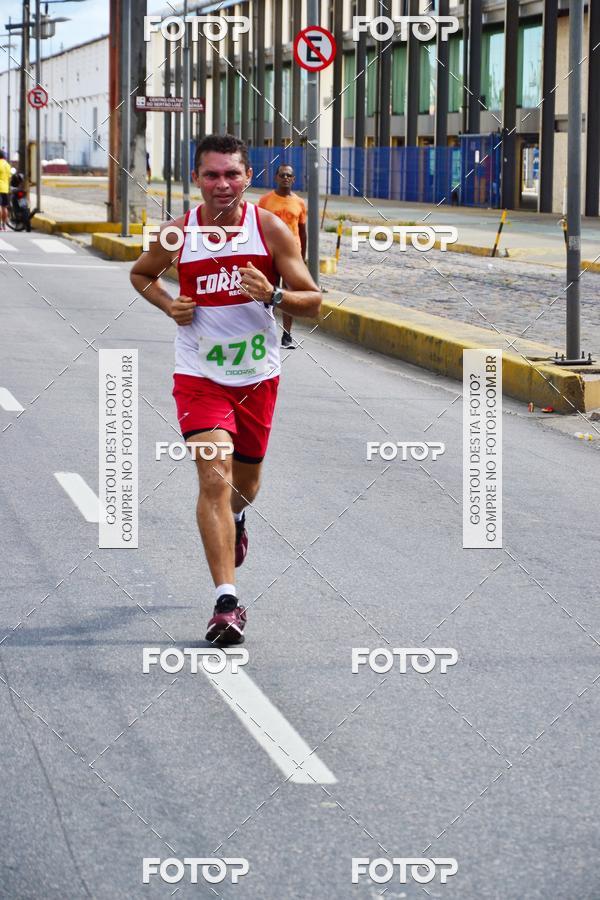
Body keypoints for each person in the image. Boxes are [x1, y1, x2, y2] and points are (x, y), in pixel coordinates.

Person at [130, 134, 321, 644]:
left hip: (257, 377)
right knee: (213, 478)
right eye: (211, 174)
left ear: (247, 177)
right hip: (199, 377)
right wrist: (168, 304)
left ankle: (237, 519)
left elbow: (313, 300)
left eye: (231, 174)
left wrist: (275, 292)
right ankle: (226, 603)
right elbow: (142, 275)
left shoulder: (272, 229)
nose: (222, 184)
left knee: (245, 488)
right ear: (196, 178)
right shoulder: (178, 234)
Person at [258, 163, 307, 348]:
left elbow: (303, 232)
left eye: (289, 175)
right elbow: (258, 226)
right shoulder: (265, 201)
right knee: (268, 292)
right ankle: (264, 330)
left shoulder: (300, 203)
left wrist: (302, 257)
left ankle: (287, 335)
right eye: (282, 175)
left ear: (293, 179)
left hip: (291, 255)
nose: (285, 178)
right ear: (276, 178)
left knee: (288, 294)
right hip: (269, 253)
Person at [0, 151, 12, 231]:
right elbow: (9, 177)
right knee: (4, 207)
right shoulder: (8, 165)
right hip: (5, 189)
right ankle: (4, 225)